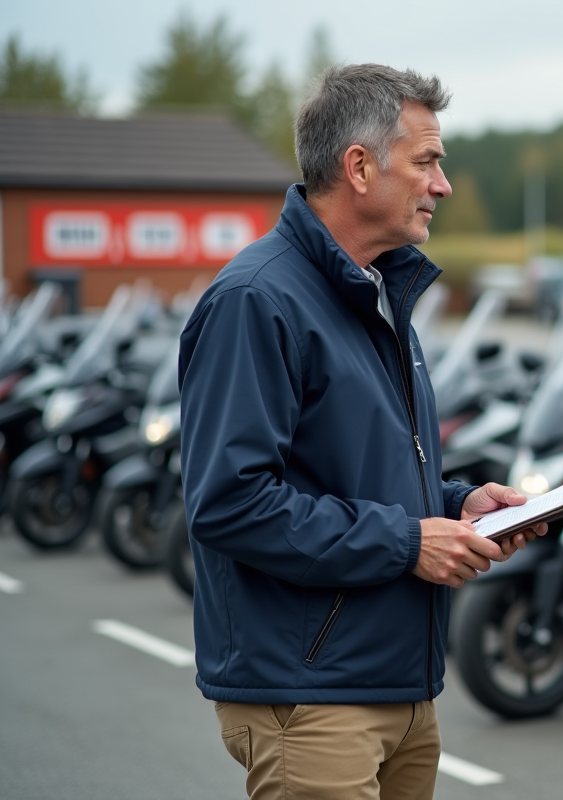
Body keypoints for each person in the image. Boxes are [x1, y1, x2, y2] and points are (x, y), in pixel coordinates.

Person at [178, 64, 544, 800]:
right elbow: (230, 503)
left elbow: (356, 474)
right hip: (314, 699)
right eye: (428, 161)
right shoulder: (258, 301)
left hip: (400, 692)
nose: (441, 184)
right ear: (359, 166)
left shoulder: (376, 290)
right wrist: (411, 542)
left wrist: (455, 507)